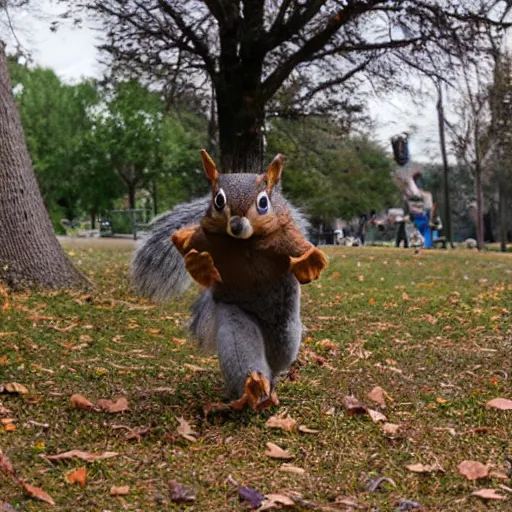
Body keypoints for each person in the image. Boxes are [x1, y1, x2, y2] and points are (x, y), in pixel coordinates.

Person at [132, 150, 328, 411]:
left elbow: (300, 248)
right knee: (236, 337)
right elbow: (193, 241)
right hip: (235, 302)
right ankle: (250, 384)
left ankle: (268, 377)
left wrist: (306, 260)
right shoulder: (214, 229)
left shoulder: (280, 225)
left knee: (282, 351)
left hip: (281, 305)